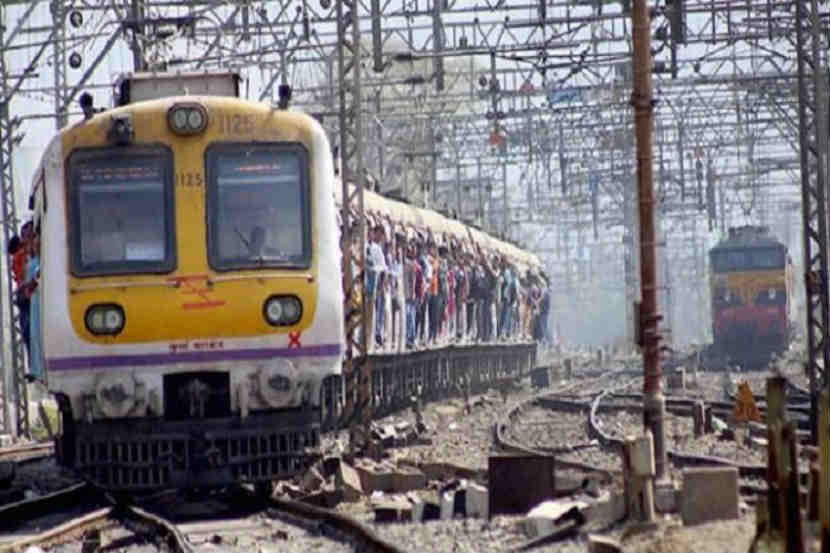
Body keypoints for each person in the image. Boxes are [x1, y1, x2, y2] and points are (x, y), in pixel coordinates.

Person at [24, 230, 42, 382]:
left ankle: (39, 369)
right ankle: (36, 369)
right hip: (35, 300)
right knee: (35, 334)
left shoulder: (40, 263)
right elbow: (28, 287)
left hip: (41, 299)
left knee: (38, 334)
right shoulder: (33, 263)